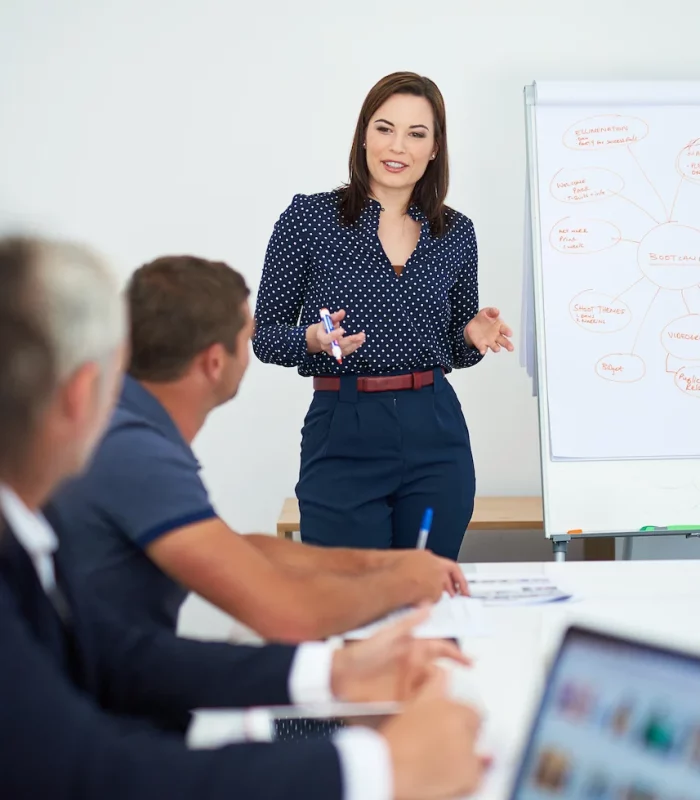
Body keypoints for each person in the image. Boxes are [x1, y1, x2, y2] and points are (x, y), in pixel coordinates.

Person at [0, 234, 486, 800]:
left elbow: (125, 650)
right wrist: (378, 768)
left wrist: (337, 663)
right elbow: (93, 769)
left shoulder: (110, 459)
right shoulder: (133, 449)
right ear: (82, 391)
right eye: (249, 337)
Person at [48, 254, 467, 642]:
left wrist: (384, 565)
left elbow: (231, 548)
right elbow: (288, 614)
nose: (251, 351)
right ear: (215, 362)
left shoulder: (122, 426)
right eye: (247, 338)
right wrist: (397, 585)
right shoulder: (140, 455)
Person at [253, 71, 514, 560]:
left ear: (435, 148)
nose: (398, 146)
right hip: (343, 427)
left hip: (435, 431)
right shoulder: (308, 219)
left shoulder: (456, 232)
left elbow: (455, 350)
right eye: (385, 128)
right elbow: (265, 336)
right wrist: (310, 339)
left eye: (417, 134)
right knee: (350, 599)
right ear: (364, 134)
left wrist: (471, 335)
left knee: (425, 595)